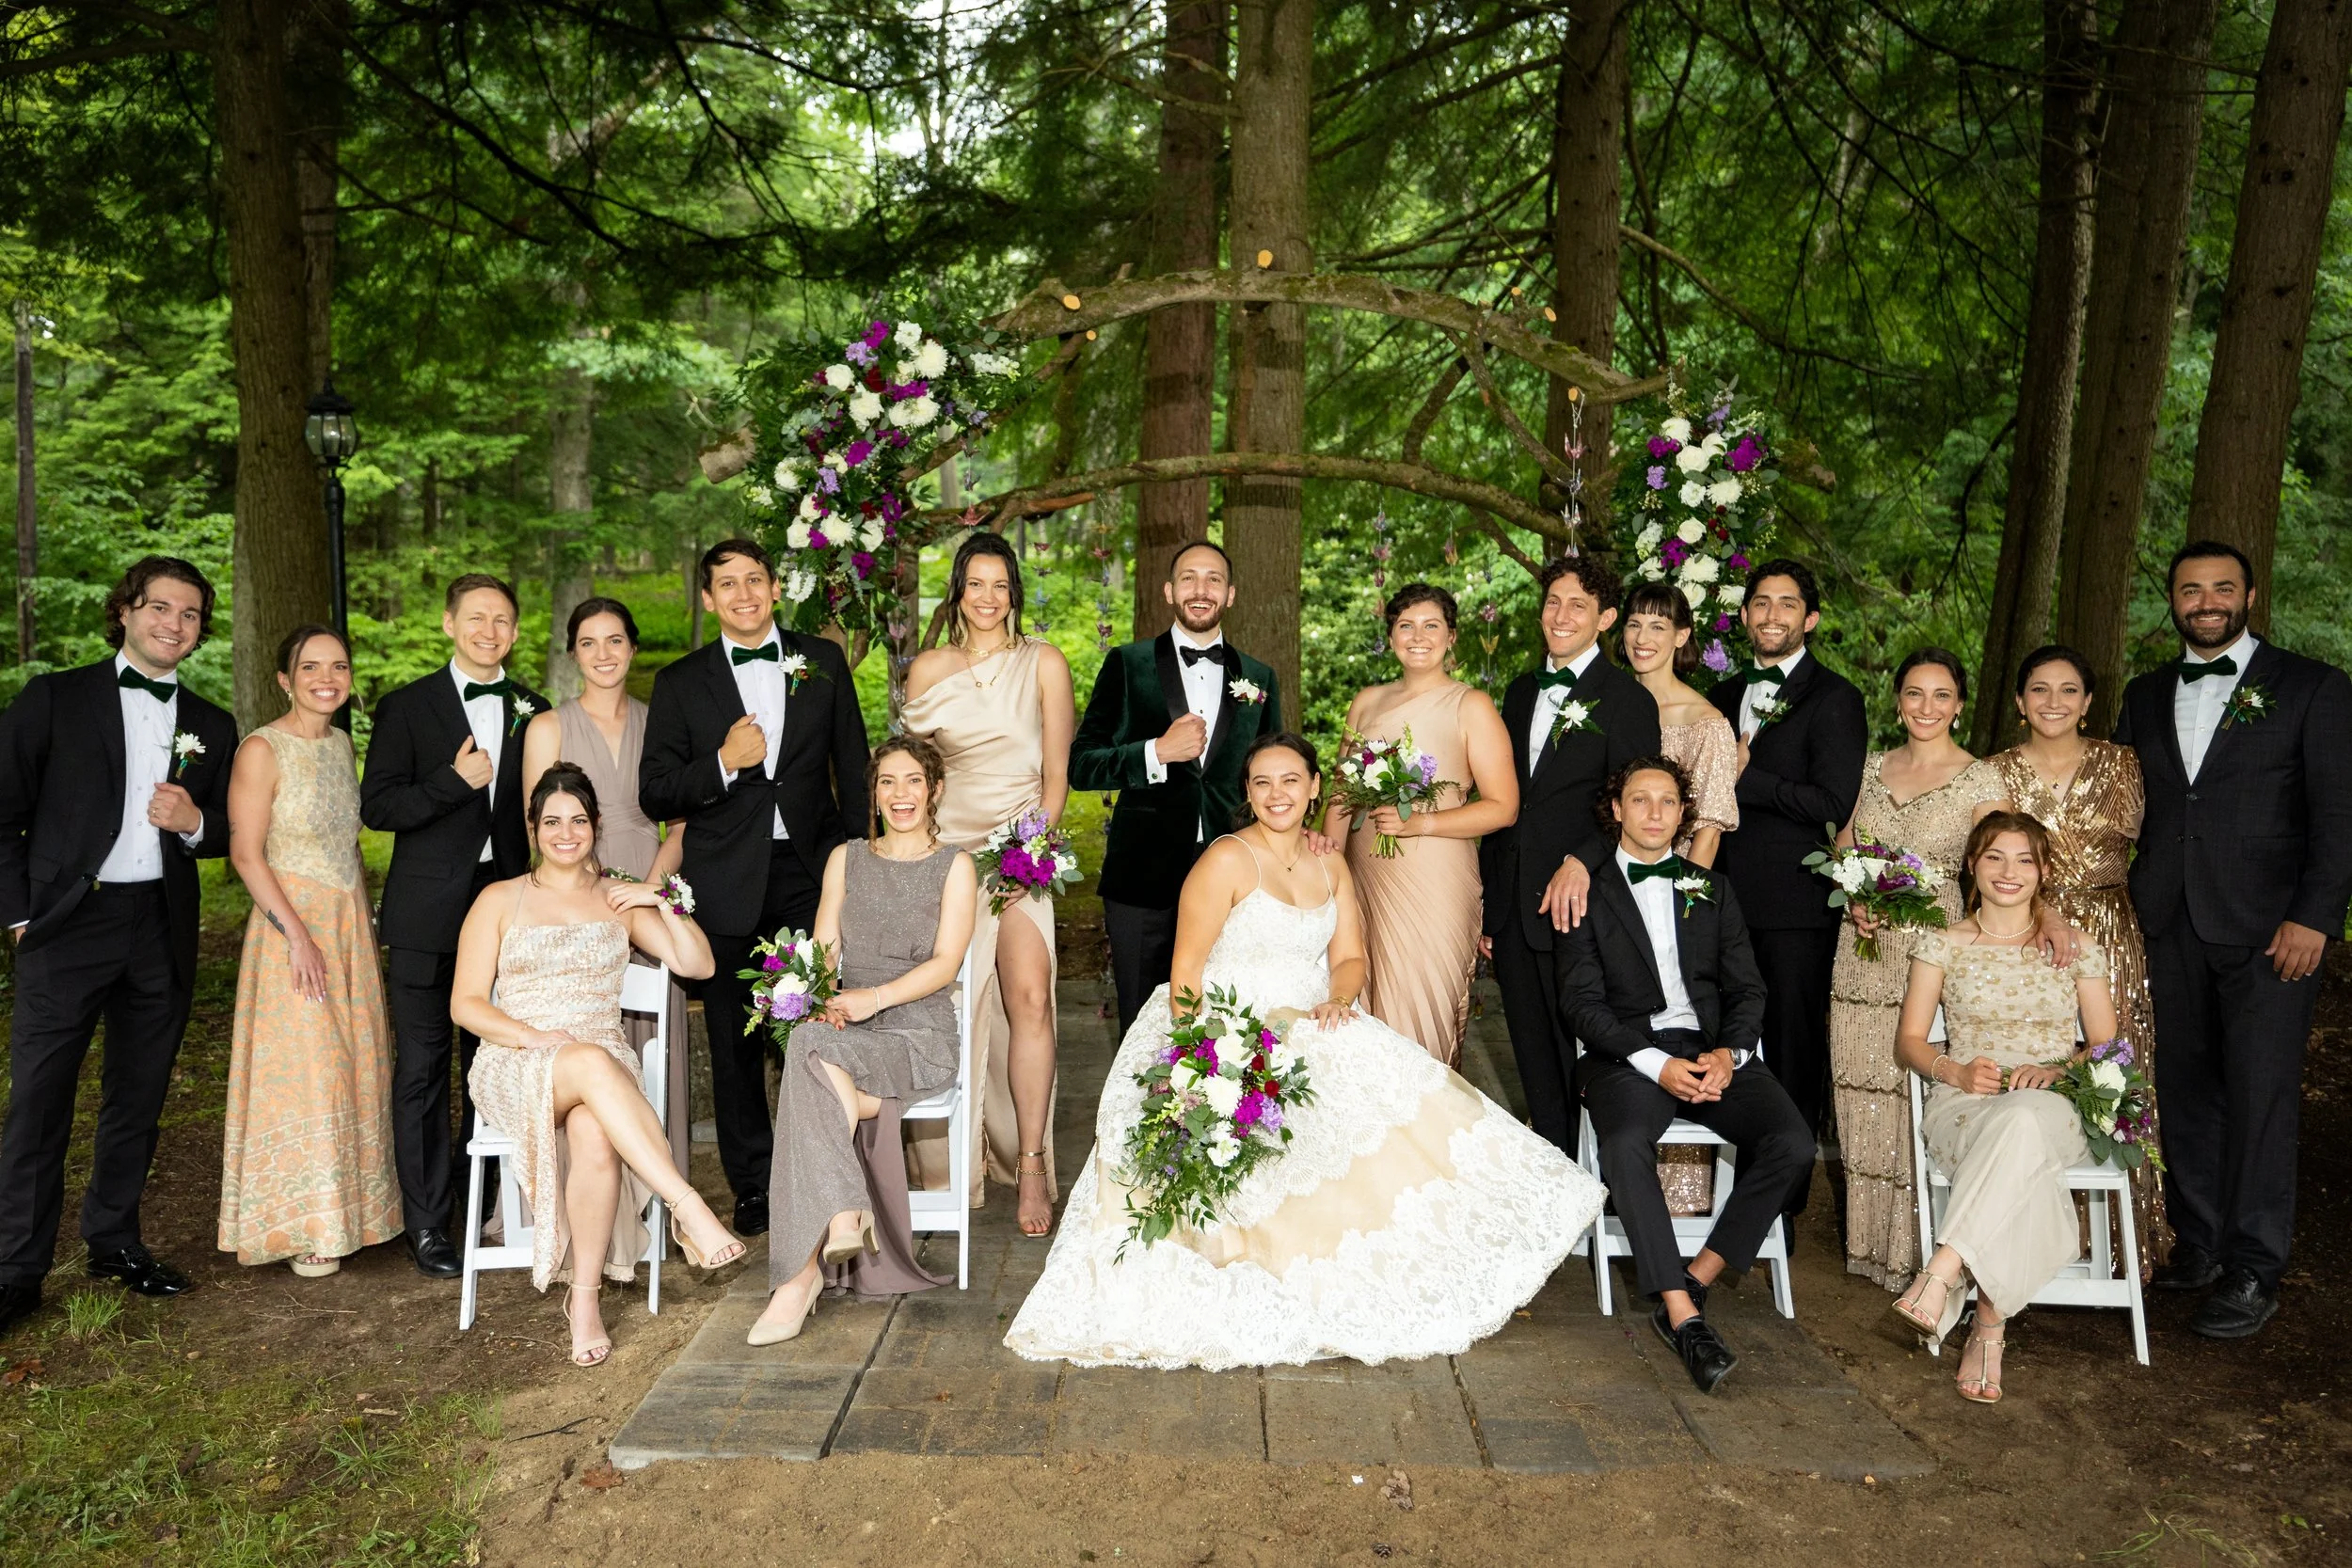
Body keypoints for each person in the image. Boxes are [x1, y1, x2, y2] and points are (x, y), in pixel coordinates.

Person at [1004, 734, 1605, 1370]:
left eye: (1291, 780)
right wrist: (1198, 1063)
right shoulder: (1225, 861)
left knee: (1414, 1112)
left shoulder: (1331, 864)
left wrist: (1341, 999)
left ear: (1316, 787)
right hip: (1228, 1029)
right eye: (1262, 782)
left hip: (1314, 1022)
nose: (1277, 794)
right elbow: (1186, 972)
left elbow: (1349, 958)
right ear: (1247, 793)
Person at [2111, 540, 2352, 1339]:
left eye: (2221, 588)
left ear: (2251, 596)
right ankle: (2202, 1242)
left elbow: (2337, 814)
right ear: (2172, 600)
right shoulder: (2144, 696)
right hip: (2168, 921)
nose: (2204, 600)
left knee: (2262, 1094)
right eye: (2189, 589)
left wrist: (2316, 914)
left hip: (2271, 932)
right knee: (2185, 1089)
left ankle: (2255, 1265)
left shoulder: (2313, 687)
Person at [0, 558, 238, 1337]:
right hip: (65, 925)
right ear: (128, 611)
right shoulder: (55, 698)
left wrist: (193, 824)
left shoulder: (213, 722)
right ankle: (16, 1268)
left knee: (136, 1095)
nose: (174, 623)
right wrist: (18, 917)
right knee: (39, 1100)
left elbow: (227, 835)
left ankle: (112, 1240)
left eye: (191, 613)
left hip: (157, 928)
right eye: (160, 607)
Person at [453, 764, 743, 1366]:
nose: (567, 833)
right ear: (533, 828)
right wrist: (534, 1036)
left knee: (592, 1127)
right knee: (583, 1061)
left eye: (579, 821)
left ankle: (583, 1300)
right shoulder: (499, 898)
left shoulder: (616, 896)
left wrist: (659, 899)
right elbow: (466, 1005)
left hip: (600, 1063)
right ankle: (686, 1208)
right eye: (553, 821)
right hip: (516, 1056)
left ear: (596, 826)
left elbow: (700, 966)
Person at [1558, 757, 1812, 1396]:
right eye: (1638, 799)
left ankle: (1696, 1272)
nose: (1652, 812)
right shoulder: (1585, 889)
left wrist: (1731, 1053)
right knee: (1623, 1143)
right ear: (1615, 809)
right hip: (1627, 1057)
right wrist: (1656, 1064)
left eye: (1666, 802)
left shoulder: (1712, 888)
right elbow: (1581, 1003)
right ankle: (1681, 1310)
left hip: (1709, 1049)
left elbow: (1748, 988)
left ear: (1681, 814)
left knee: (1794, 1143)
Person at [640, 538, 870, 1240]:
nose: (743, 593)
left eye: (754, 580)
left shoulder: (822, 662)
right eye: (726, 584)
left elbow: (853, 765)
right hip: (726, 880)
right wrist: (723, 762)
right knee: (735, 1040)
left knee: (817, 1025)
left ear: (774, 587)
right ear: (708, 599)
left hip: (811, 873)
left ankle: (827, 1167)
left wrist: (852, 861)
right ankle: (754, 1186)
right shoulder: (681, 682)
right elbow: (655, 790)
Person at [748, 737, 979, 1345]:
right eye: (887, 782)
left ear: (932, 790)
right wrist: (813, 993)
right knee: (807, 1042)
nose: (900, 794)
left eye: (912, 781)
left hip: (918, 1029)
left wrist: (871, 999)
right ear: (872, 792)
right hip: (852, 1024)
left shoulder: (955, 865)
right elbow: (824, 947)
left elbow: (947, 962)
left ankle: (799, 1277)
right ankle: (834, 1226)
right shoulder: (844, 859)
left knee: (810, 1062)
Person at [1889, 813, 2118, 1404]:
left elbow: (2109, 1047)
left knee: (2026, 1119)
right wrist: (1955, 1070)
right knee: (2015, 1137)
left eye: (2024, 859)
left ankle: (1941, 1273)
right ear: (1972, 865)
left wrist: (2058, 1070)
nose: (2008, 872)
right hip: (1967, 1102)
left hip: (2057, 1103)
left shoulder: (2078, 949)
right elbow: (1910, 1043)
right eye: (1994, 857)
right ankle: (1988, 1331)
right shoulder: (1942, 945)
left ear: (2043, 870)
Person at [359, 573, 546, 1280]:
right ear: (448, 623)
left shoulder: (534, 708)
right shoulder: (407, 706)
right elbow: (377, 805)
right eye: (475, 617)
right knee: (422, 1069)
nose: (488, 630)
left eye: (501, 619)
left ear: (515, 631)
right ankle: (428, 1224)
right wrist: (451, 782)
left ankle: (479, 1208)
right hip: (423, 914)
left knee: (489, 1064)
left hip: (504, 912)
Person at [902, 531, 1075, 1234]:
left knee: (1029, 995)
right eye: (976, 583)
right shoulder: (928, 669)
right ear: (957, 590)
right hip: (946, 858)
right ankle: (950, 1165)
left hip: (1019, 850)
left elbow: (1057, 777)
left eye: (1000, 584)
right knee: (947, 1009)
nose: (988, 597)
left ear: (1015, 592)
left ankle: (1029, 1162)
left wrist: (1028, 855)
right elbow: (911, 777)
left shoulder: (1044, 663)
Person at [219, 625, 399, 1277]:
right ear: (284, 679)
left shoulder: (342, 744)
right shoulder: (262, 750)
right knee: (310, 1076)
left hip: (345, 920)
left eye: (340, 666)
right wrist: (296, 933)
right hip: (290, 927)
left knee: (356, 1067)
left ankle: (354, 1213)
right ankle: (302, 1224)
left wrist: (360, 919)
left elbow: (343, 840)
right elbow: (245, 853)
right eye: (311, 666)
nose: (328, 677)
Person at [1827, 648, 2010, 1288]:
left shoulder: (1980, 778)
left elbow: (1998, 863)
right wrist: (1855, 891)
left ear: (1960, 704)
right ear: (1897, 700)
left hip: (1935, 948)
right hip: (1863, 948)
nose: (1926, 707)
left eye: (1941, 695)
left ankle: (1927, 1252)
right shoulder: (1871, 767)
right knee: (1860, 1085)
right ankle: (1870, 1243)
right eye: (1914, 693)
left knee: (1921, 1091)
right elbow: (1845, 840)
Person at [1990, 643, 2169, 1268]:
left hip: (2110, 929)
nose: (2054, 702)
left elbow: (2166, 845)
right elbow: (1988, 862)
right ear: (2019, 702)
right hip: (2026, 931)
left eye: (2069, 690)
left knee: (2111, 1067)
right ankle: (2029, 1243)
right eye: (2039, 689)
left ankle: (2118, 1243)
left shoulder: (2123, 765)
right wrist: (2040, 909)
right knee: (2036, 1063)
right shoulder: (1997, 772)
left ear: (2089, 703)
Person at [1481, 554, 1660, 1155]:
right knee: (1530, 1054)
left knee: (1579, 1052)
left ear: (1605, 618)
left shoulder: (1627, 700)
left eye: (1578, 604)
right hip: (1511, 903)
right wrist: (1489, 906)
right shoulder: (1519, 689)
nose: (1561, 615)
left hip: (1577, 904)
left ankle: (1601, 1183)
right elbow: (1506, 801)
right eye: (1553, 602)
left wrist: (1582, 861)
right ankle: (1552, 1179)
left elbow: (1633, 805)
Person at [1705, 559, 1866, 1227]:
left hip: (1796, 907)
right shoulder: (1719, 693)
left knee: (1792, 1050)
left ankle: (1782, 1204)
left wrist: (1745, 777)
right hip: (1719, 898)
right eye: (1761, 603)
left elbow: (1832, 803)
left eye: (1787, 604)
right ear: (1744, 616)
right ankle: (1714, 1189)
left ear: (1811, 618)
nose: (1773, 615)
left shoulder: (1835, 697)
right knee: (1721, 1041)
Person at [1072, 540, 1284, 1035]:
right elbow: (1082, 766)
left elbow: (1276, 782)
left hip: (1233, 880)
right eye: (1189, 578)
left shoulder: (1258, 677)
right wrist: (1156, 753)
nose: (1201, 589)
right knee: (1142, 1030)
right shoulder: (1127, 665)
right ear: (1169, 590)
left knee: (1230, 1026)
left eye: (1213, 579)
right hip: (1141, 878)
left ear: (1230, 594)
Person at [521, 595, 691, 1179]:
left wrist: (648, 892)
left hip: (647, 881)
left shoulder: (662, 721)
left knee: (651, 1036)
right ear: (573, 653)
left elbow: (682, 826)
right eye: (588, 642)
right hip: (578, 891)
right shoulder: (548, 726)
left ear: (633, 648)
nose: (603, 654)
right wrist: (587, 898)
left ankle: (653, 1202)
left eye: (614, 640)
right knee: (587, 1030)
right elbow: (541, 827)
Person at [1322, 583, 1518, 1066]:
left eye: (1432, 626)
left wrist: (1421, 823)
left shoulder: (1471, 705)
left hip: (1437, 882)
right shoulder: (1365, 703)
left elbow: (1503, 807)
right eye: (1405, 625)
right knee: (1361, 1006)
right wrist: (1323, 872)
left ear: (1451, 638)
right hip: (1365, 878)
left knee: (1421, 1016)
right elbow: (1343, 796)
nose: (1418, 636)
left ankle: (1425, 1128)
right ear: (1390, 638)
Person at [1618, 581, 1738, 865]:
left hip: (1669, 879)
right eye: (1634, 624)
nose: (1641, 638)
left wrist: (1686, 905)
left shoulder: (1706, 723)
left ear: (1681, 636)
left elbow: (1707, 836)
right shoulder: (1609, 704)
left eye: (1657, 627)